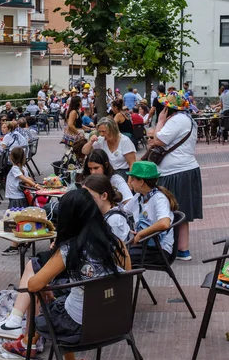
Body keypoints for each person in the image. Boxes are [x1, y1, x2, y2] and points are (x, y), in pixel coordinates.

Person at [0, 189, 128, 360]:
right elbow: (127, 276)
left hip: (80, 328)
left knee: (48, 304)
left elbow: (33, 285)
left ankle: (33, 345)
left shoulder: (70, 249)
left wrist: (46, 288)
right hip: (117, 322)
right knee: (64, 301)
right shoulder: (116, 242)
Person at [144, 93, 200, 261]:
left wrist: (160, 121)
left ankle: (174, 248)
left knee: (172, 210)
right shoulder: (187, 119)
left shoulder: (177, 120)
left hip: (176, 172)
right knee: (181, 212)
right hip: (184, 169)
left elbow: (158, 139)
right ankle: (182, 248)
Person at [123, 161, 178, 264]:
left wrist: (141, 234)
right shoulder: (138, 197)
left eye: (133, 179)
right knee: (116, 253)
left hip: (160, 250)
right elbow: (123, 211)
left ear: (141, 182)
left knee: (122, 258)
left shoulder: (159, 199)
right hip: (144, 245)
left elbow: (164, 223)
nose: (130, 182)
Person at [84, 173, 132, 243]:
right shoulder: (100, 213)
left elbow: (115, 247)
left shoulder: (114, 220)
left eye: (90, 196)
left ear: (104, 196)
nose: (85, 200)